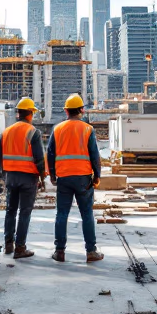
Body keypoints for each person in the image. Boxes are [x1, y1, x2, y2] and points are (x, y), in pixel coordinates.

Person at [48, 93, 103, 263]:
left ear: (66, 111)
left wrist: (52, 175)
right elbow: (95, 155)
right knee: (87, 214)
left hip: (64, 177)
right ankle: (91, 251)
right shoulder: (87, 129)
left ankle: (60, 251)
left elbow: (50, 154)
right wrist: (97, 176)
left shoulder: (57, 129)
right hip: (83, 178)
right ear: (82, 110)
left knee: (62, 214)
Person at [0, 97, 47, 259]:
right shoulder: (33, 132)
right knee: (24, 212)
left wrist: (2, 173)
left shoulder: (7, 131)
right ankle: (20, 248)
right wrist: (42, 177)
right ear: (30, 114)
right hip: (28, 178)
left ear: (18, 114)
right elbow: (39, 158)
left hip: (11, 177)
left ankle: (8, 244)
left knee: (10, 210)